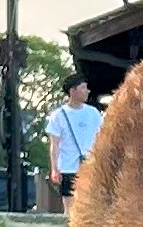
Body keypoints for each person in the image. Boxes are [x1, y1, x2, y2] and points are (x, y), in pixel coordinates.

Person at [44, 79, 103, 213]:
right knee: (69, 206)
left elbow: (102, 137)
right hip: (67, 166)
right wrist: (54, 168)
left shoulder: (93, 113)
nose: (87, 91)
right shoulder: (58, 115)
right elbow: (55, 144)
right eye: (83, 88)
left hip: (90, 164)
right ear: (72, 91)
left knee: (89, 204)